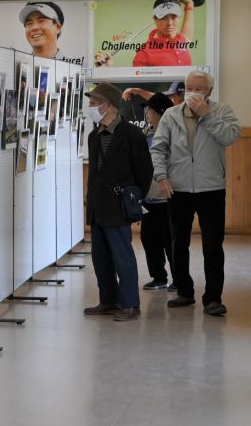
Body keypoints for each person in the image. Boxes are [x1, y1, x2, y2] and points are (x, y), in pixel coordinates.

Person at [150, 71, 240, 316]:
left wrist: (206, 115)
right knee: (178, 242)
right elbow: (158, 149)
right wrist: (162, 176)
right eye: (189, 87)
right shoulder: (170, 115)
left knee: (213, 245)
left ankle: (213, 298)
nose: (193, 92)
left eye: (199, 88)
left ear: (209, 91)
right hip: (177, 188)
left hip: (211, 187)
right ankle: (184, 291)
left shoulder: (222, 111)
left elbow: (231, 136)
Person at [83, 83, 153, 321]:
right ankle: (108, 300)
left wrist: (133, 198)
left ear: (108, 105)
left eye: (94, 103)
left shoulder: (132, 135)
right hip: (97, 204)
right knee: (100, 257)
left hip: (119, 205)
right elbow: (95, 171)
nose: (91, 107)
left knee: (123, 257)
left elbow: (144, 170)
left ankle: (131, 303)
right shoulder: (94, 136)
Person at [130, 92, 176, 291]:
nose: (146, 113)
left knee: (170, 241)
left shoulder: (173, 134)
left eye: (149, 109)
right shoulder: (147, 132)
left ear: (160, 112)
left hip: (167, 197)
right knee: (149, 239)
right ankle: (159, 277)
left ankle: (179, 279)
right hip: (148, 197)